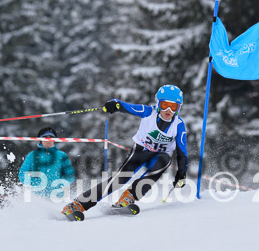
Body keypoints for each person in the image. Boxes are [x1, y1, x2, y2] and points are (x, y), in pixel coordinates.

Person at [61, 84, 188, 219]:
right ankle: (77, 205)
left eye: (174, 106)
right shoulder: (148, 112)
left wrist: (181, 172)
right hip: (141, 152)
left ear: (179, 108)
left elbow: (182, 152)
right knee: (119, 180)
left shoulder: (179, 125)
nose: (168, 110)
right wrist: (115, 104)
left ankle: (129, 197)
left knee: (164, 161)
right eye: (164, 105)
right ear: (158, 104)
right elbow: (126, 107)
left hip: (160, 158)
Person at [18, 126, 76, 198]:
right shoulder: (32, 155)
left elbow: (70, 175)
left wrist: (61, 184)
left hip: (57, 197)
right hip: (36, 197)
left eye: (51, 137)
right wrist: (33, 184)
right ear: (40, 139)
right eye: (45, 137)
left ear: (54, 139)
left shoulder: (62, 155)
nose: (48, 140)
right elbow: (22, 174)